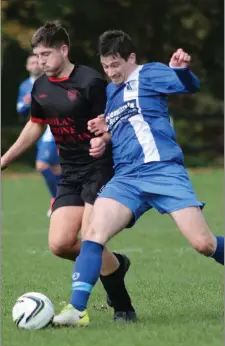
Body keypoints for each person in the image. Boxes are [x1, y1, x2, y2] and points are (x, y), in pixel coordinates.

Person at [53, 30, 224, 327]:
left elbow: (188, 87)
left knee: (203, 244)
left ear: (131, 58)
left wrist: (181, 71)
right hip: (127, 178)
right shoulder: (110, 92)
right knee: (93, 234)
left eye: (116, 64)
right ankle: (76, 310)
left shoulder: (150, 73)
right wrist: (104, 138)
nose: (111, 72)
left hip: (163, 171)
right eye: (106, 66)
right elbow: (121, 127)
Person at [1, 23, 137, 323]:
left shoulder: (91, 82)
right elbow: (36, 124)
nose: (41, 61)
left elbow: (115, 121)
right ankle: (115, 265)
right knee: (60, 244)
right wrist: (5, 159)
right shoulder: (40, 87)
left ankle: (119, 307)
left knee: (91, 237)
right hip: (70, 172)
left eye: (46, 54)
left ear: (64, 49)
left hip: (100, 168)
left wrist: (104, 140)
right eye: (37, 55)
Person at [16, 54, 61, 216]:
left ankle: (58, 198)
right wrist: (26, 103)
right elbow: (20, 109)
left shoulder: (51, 82)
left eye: (37, 62)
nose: (35, 65)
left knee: (42, 165)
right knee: (56, 168)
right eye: (32, 62)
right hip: (35, 129)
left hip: (50, 128)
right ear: (28, 66)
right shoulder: (24, 86)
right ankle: (64, 198)